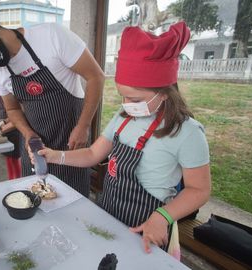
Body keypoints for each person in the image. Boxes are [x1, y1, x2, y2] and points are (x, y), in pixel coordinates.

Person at [33, 22, 211, 256]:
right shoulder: (124, 117)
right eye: (122, 97)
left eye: (135, 100)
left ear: (165, 92)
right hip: (108, 217)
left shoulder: (187, 133)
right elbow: (93, 154)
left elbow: (199, 190)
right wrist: (55, 155)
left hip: (147, 230)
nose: (127, 106)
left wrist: (162, 217)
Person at [0, 13, 105, 197]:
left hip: (70, 148)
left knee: (73, 210)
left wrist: (83, 125)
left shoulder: (50, 36)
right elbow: (13, 108)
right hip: (34, 152)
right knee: (35, 207)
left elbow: (95, 76)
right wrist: (28, 133)